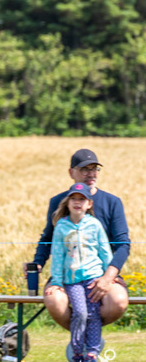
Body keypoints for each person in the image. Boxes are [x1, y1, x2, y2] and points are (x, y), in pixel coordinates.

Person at [33, 149, 130, 351]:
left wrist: (108, 277)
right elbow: (48, 239)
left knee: (118, 302)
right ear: (71, 173)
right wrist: (38, 263)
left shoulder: (113, 202)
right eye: (84, 169)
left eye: (95, 169)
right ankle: (87, 340)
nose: (91, 174)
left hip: (101, 272)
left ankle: (85, 339)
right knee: (54, 300)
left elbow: (123, 244)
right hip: (68, 272)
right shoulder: (58, 201)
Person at [48, 183, 113, 362]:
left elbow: (104, 250)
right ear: (68, 203)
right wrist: (57, 281)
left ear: (89, 204)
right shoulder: (61, 226)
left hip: (93, 277)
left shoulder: (94, 225)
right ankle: (77, 351)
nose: (78, 203)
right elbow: (58, 255)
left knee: (93, 314)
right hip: (72, 280)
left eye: (82, 199)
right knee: (80, 312)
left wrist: (110, 274)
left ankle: (92, 352)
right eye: (74, 199)